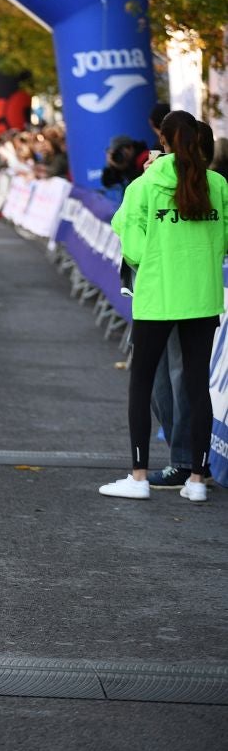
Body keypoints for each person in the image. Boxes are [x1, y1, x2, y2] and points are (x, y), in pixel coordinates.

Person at [101, 111, 228, 504]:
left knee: (141, 385)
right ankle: (196, 480)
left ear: (165, 142)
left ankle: (138, 476)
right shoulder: (218, 184)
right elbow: (222, 241)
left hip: (157, 297)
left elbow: (135, 249)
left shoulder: (146, 183)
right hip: (202, 297)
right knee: (196, 386)